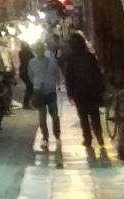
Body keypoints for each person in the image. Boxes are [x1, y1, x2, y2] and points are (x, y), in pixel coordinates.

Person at [61, 31, 108, 160]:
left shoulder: (71, 59)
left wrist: (70, 92)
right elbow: (97, 74)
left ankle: (87, 138)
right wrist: (101, 89)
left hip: (79, 92)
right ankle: (98, 135)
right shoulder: (89, 57)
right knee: (94, 115)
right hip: (91, 91)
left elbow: (68, 76)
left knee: (83, 116)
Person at [27, 38, 63, 155]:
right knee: (50, 116)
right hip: (47, 91)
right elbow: (57, 75)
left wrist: (36, 84)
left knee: (46, 116)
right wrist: (56, 84)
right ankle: (53, 137)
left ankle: (49, 137)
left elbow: (31, 76)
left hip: (43, 91)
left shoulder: (33, 62)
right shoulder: (50, 62)